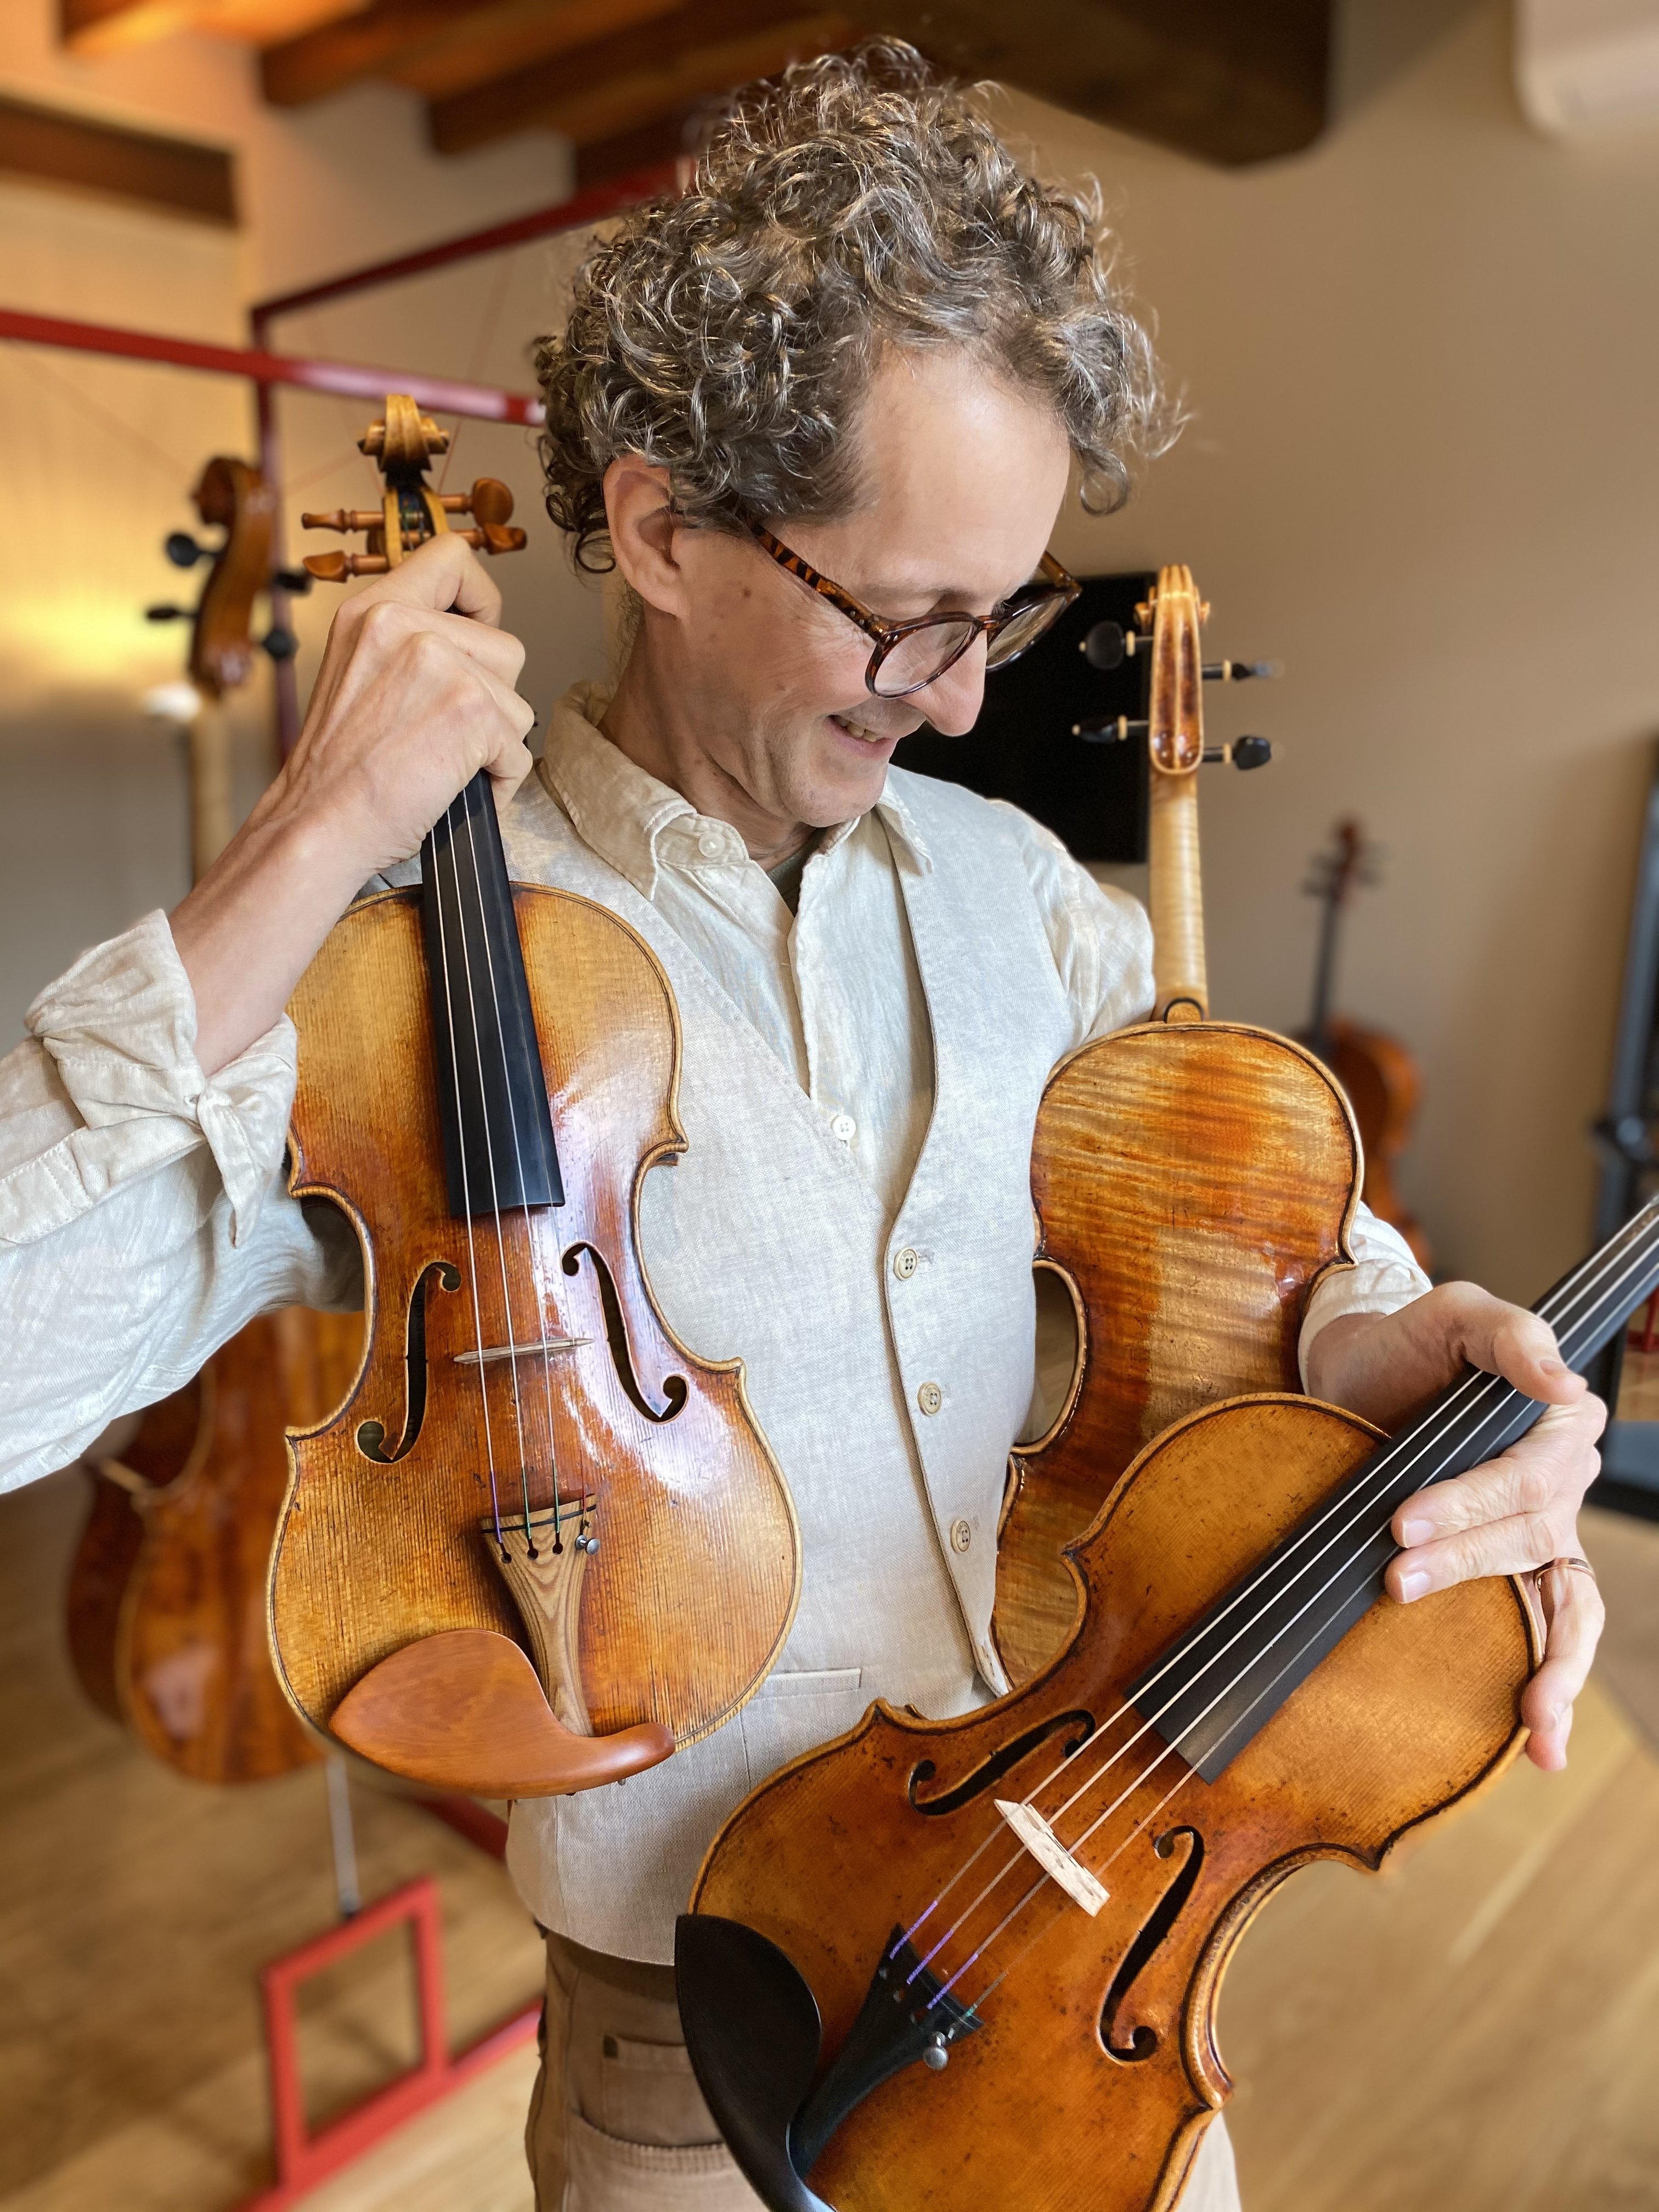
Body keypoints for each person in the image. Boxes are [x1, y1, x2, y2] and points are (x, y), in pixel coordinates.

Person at [0, 43, 1604, 2212]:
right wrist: (290, 848)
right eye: (906, 616)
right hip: (705, 2044)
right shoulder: (388, 979)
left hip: (1108, 1952)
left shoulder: (1030, 902)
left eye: (1003, 616)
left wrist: (1388, 1351)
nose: (958, 699)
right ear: (660, 522)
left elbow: (1264, 1265)